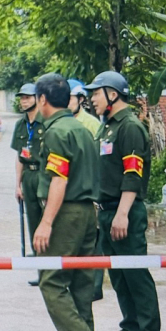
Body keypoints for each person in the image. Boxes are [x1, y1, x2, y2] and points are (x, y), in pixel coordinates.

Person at [31, 73, 107, 331]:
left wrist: (46, 222)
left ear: (42, 100)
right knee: (80, 286)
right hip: (90, 213)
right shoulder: (80, 128)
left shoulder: (57, 132)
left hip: (67, 213)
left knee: (51, 282)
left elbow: (59, 179)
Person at [86, 71, 162, 331]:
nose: (91, 99)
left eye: (96, 93)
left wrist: (122, 214)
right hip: (107, 212)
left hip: (124, 212)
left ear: (113, 94)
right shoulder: (108, 127)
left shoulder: (129, 127)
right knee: (118, 277)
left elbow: (133, 174)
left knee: (136, 276)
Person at [68, 79, 105, 301]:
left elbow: (100, 159)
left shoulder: (91, 124)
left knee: (94, 241)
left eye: (71, 98)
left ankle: (94, 288)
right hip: (71, 188)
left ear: (80, 100)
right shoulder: (59, 123)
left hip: (90, 188)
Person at [10, 83, 44, 286]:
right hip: (28, 178)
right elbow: (19, 157)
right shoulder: (21, 125)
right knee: (33, 224)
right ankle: (42, 273)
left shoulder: (46, 122)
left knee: (50, 224)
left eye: (27, 97)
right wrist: (18, 184)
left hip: (44, 174)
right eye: (21, 97)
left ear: (38, 98)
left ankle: (55, 273)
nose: (23, 101)